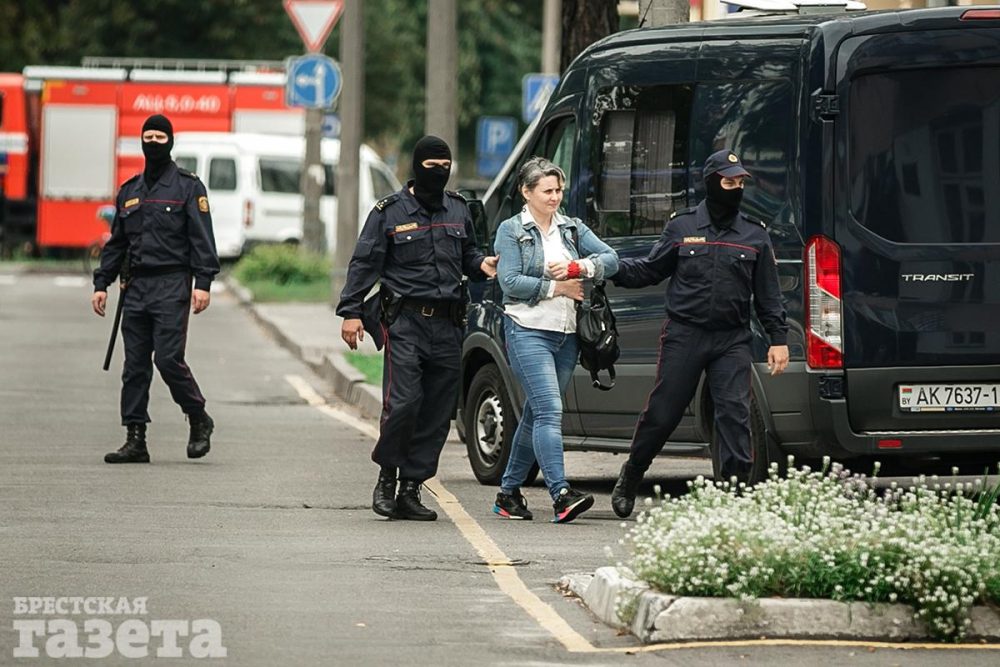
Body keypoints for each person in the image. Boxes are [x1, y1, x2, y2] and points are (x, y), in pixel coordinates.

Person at [609, 149, 789, 518]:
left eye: (740, 182)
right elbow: (649, 270)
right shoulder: (683, 227)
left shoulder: (754, 235)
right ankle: (632, 474)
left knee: (734, 416)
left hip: (731, 340)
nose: (736, 188)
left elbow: (769, 295)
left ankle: (735, 498)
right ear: (711, 182)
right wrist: (607, 268)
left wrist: (779, 339)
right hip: (685, 335)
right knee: (664, 411)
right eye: (729, 181)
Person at [337, 135, 498, 521]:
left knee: (437, 411)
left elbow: (469, 254)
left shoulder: (458, 209)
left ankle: (412, 488)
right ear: (416, 166)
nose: (439, 171)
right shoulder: (389, 212)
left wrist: (481, 265)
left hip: (448, 324)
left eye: (446, 165)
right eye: (432, 165)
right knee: (404, 403)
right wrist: (351, 311)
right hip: (405, 321)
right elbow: (365, 262)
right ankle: (387, 477)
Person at [491, 157, 619, 523]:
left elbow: (612, 259)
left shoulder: (572, 229)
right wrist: (556, 287)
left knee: (535, 413)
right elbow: (510, 282)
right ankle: (560, 493)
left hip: (568, 335)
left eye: (558, 189)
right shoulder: (511, 231)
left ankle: (508, 494)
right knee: (549, 410)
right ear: (526, 191)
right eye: (547, 190)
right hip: (528, 330)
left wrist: (581, 267)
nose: (555, 197)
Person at [92, 114, 220, 464]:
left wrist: (203, 283)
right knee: (134, 365)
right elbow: (117, 243)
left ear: (170, 141)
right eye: (147, 136)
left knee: (167, 359)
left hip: (172, 284)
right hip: (135, 287)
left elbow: (202, 239)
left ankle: (198, 416)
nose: (153, 142)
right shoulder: (130, 191)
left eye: (159, 137)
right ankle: (135, 439)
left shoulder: (188, 187)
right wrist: (101, 282)